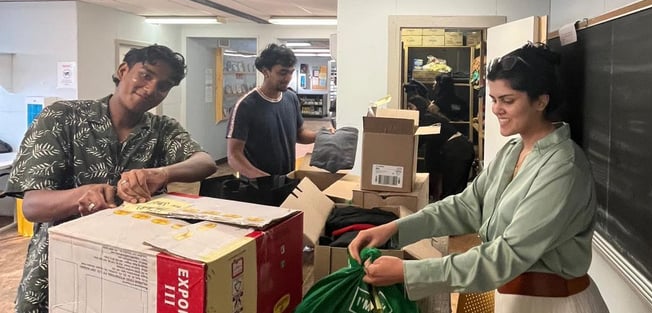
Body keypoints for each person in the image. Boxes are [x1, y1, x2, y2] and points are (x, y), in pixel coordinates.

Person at [349, 42, 609, 312]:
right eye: (494, 99)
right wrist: (395, 228)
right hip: (512, 297)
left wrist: (409, 272)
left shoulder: (563, 169)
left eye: (507, 100)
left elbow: (506, 257)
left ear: (541, 101)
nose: (496, 109)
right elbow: (466, 206)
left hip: (555, 304)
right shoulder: (514, 151)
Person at [4, 44, 217, 313]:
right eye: (146, 75)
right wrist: (82, 195)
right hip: (59, 268)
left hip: (131, 270)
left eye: (163, 86)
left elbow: (205, 162)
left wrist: (162, 173)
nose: (151, 89)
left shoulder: (162, 130)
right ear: (123, 70)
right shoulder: (62, 118)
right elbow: (33, 207)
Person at [226, 43, 317, 177]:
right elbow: (234, 155)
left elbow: (300, 134)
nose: (288, 78)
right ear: (265, 71)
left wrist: (323, 137)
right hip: (256, 188)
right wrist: (264, 179)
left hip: (286, 180)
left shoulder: (291, 98)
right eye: (282, 73)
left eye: (290, 72)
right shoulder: (246, 105)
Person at [407, 95, 475, 200]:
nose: (408, 110)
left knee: (452, 190)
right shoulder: (430, 117)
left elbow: (418, 142)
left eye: (410, 107)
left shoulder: (425, 119)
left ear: (418, 107)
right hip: (461, 147)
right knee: (456, 189)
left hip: (457, 150)